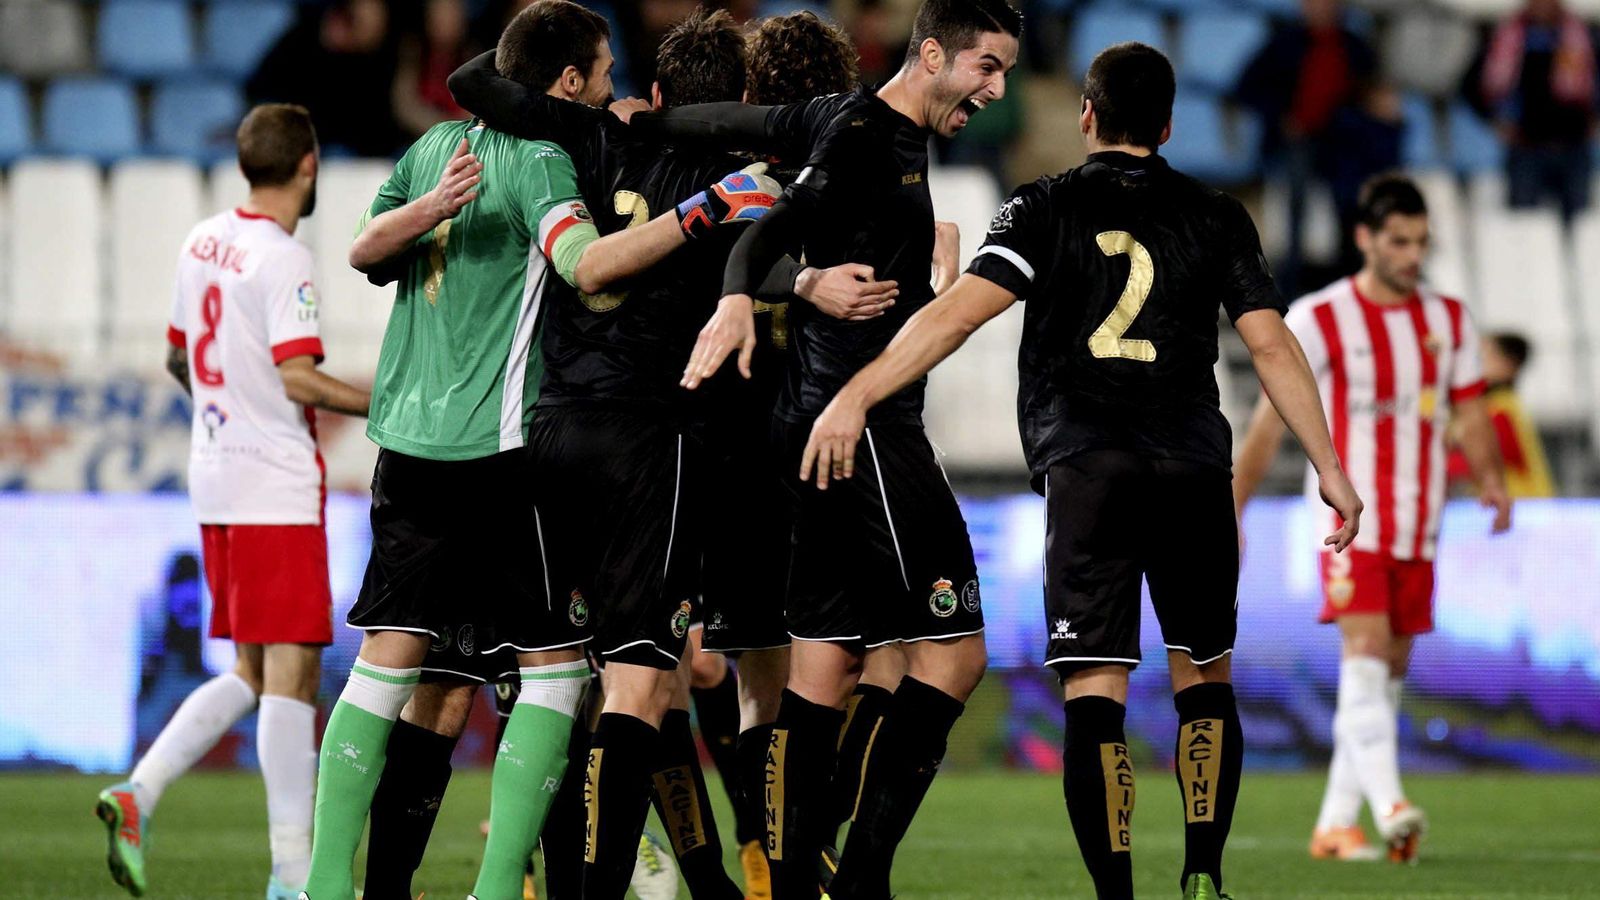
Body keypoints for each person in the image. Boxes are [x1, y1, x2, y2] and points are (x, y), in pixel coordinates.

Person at [802, 41, 1364, 900]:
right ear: (1171, 125)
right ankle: (1204, 873)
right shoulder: (1216, 214)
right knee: (1204, 674)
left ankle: (1116, 894)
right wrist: (1328, 465)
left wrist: (858, 392)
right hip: (1193, 467)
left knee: (1094, 689)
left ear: (1088, 115)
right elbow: (1270, 343)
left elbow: (957, 316)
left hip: (1089, 466)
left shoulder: (1042, 207)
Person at [295, 2, 778, 897]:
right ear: (565, 84)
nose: (611, 91)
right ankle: (496, 888)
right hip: (502, 451)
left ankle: (324, 884)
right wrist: (710, 208)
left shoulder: (433, 151)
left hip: (405, 448)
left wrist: (431, 210)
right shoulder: (542, 159)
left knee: (388, 663)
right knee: (555, 672)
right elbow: (587, 267)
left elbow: (365, 247)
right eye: (599, 75)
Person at [627, 2, 1021, 897]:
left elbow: (726, 121)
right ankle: (859, 877)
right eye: (986, 69)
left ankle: (795, 877)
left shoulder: (826, 121)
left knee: (818, 666)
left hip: (802, 432)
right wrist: (748, 288)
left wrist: (651, 119)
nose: (995, 92)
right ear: (932, 56)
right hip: (865, 426)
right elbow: (771, 225)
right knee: (951, 656)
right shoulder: (864, 140)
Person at [96, 103, 372, 900]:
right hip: (273, 483)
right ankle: (294, 879)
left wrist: (226, 408)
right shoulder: (284, 258)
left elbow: (179, 356)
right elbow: (295, 376)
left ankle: (136, 794)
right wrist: (384, 405)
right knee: (289, 678)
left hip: (215, 476)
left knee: (254, 672)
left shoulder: (202, 239)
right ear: (308, 167)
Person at [1233, 174, 1513, 865]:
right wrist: (1231, 509)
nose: (1413, 254)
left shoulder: (1448, 321)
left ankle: (1335, 826)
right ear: (1365, 239)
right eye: (1399, 241)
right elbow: (1269, 425)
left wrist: (1491, 478)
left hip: (1422, 522)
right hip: (1348, 523)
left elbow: (1470, 410)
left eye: (1421, 241)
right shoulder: (1320, 317)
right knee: (1363, 660)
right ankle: (1391, 805)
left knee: (1385, 675)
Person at [1235, 0, 1376, 297]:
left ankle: (1348, 278)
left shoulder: (1353, 47)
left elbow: (1369, 94)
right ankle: (1291, 282)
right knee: (1294, 199)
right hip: (1293, 142)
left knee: (1351, 195)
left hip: (1340, 143)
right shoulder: (1283, 43)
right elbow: (1247, 88)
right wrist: (1282, 118)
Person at [1475, 0, 1598, 222]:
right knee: (1523, 223)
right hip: (1525, 146)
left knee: (1580, 223)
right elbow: (1474, 85)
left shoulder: (1584, 35)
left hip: (1574, 145)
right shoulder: (1507, 35)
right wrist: (1493, 119)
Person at [1447, 332, 1554, 498]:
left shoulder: (1499, 410)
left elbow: (1481, 459)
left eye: (1483, 355)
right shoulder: (1498, 405)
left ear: (1508, 365)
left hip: (1520, 507)